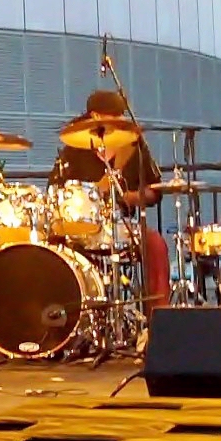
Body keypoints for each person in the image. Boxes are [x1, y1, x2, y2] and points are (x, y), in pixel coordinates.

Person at [48, 89, 171, 314]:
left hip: (123, 225)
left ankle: (160, 316)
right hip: (82, 229)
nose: (120, 119)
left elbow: (155, 192)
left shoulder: (133, 146)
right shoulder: (74, 151)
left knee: (156, 244)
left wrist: (132, 197)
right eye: (114, 115)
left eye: (121, 114)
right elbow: (55, 190)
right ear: (96, 116)